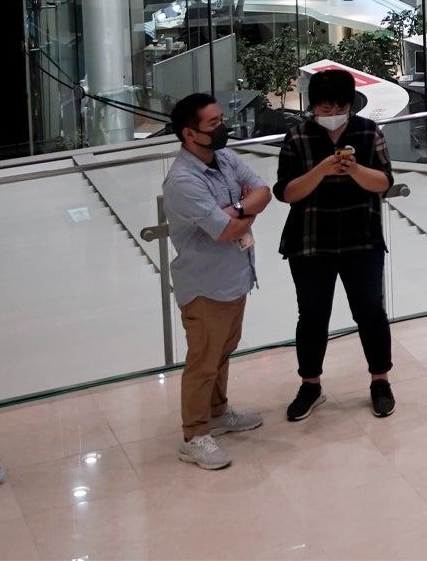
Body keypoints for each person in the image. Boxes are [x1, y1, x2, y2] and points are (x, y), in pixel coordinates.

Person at [273, 66, 396, 421]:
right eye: (323, 108)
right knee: (312, 314)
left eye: (337, 107)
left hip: (362, 237)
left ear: (349, 104)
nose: (331, 115)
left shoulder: (368, 132)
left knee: (370, 311)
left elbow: (384, 183)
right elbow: (286, 193)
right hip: (310, 241)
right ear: (313, 107)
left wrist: (355, 170)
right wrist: (321, 170)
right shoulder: (297, 137)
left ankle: (380, 381)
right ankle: (310, 384)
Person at [162, 91, 270, 470]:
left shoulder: (225, 158)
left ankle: (218, 412)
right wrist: (241, 214)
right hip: (205, 286)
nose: (222, 128)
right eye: (213, 124)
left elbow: (263, 192)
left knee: (224, 350)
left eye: (220, 120)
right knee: (203, 361)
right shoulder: (181, 181)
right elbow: (224, 231)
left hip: (235, 276)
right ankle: (194, 435)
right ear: (189, 135)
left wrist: (238, 210)